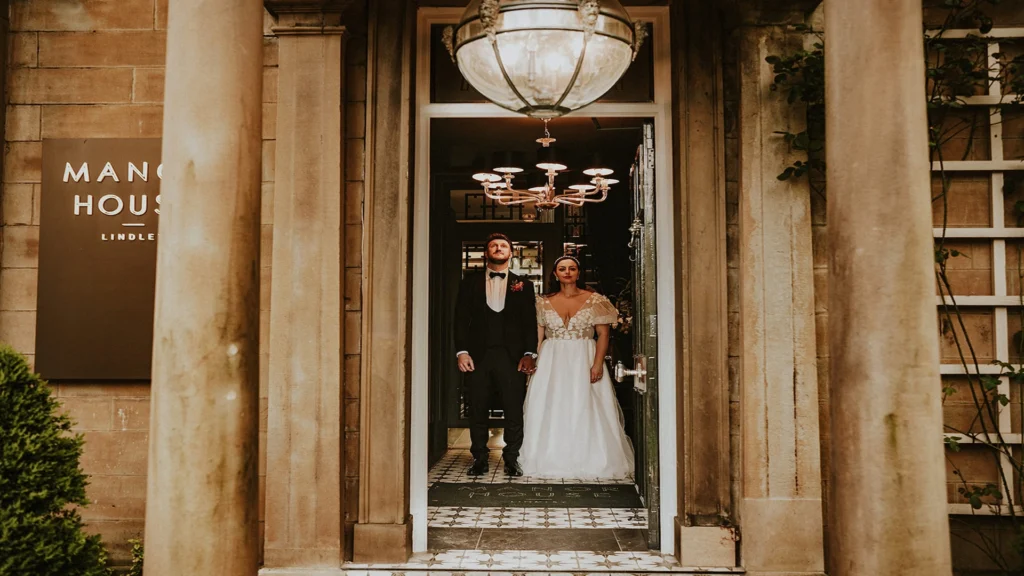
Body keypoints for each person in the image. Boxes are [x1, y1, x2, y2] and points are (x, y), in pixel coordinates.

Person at [521, 255, 635, 480]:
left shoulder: (595, 300)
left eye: (572, 268)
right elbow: (539, 335)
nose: (567, 272)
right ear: (555, 273)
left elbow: (603, 334)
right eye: (562, 268)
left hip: (583, 357)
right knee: (551, 405)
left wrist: (597, 363)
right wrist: (534, 360)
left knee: (585, 404)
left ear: (578, 273)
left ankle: (591, 458)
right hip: (552, 359)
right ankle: (550, 457)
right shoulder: (542, 301)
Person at [454, 233, 538, 477]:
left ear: (510, 253)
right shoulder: (468, 283)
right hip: (478, 356)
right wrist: (462, 351)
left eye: (503, 246)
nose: (499, 248)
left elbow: (529, 322)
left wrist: (529, 353)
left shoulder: (524, 284)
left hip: (511, 357)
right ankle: (479, 458)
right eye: (493, 245)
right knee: (477, 406)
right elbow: (460, 320)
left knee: (514, 407)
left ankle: (512, 458)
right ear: (486, 253)